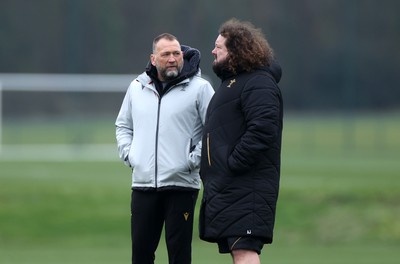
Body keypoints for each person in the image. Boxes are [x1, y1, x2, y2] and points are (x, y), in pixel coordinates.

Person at [115, 33, 214, 264]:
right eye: (166, 54)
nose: (172, 59)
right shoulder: (137, 87)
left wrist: (192, 160)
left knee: (179, 256)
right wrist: (131, 156)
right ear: (153, 58)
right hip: (143, 186)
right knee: (140, 255)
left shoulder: (200, 88)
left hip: (181, 186)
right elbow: (122, 125)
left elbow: (214, 131)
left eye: (176, 53)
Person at [199, 19, 283, 264]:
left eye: (219, 47)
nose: (213, 51)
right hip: (230, 188)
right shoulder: (234, 82)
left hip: (246, 187)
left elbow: (263, 130)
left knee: (245, 251)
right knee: (239, 251)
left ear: (235, 51)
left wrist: (232, 163)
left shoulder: (259, 83)